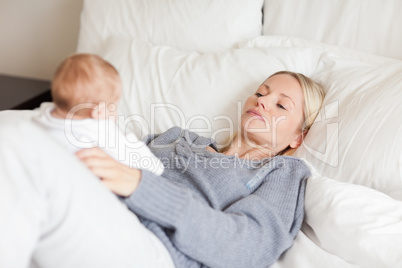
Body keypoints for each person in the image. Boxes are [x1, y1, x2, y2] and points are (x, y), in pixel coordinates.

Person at [76, 71, 326, 267]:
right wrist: (103, 133)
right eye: (260, 93)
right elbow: (119, 163)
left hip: (146, 246)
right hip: (92, 204)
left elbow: (247, 245)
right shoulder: (180, 137)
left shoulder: (281, 172)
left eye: (281, 105)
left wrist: (143, 188)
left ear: (298, 138)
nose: (262, 102)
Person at [32, 53, 164, 175]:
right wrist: (129, 140)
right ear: (99, 111)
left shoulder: (42, 115)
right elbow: (153, 167)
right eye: (113, 106)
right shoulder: (101, 131)